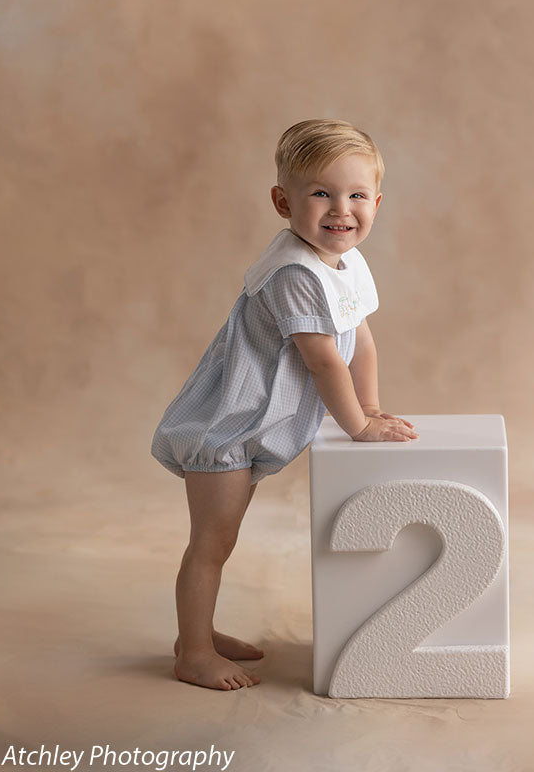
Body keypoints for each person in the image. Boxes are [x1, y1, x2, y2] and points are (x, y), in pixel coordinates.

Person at [151, 118, 419, 691]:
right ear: (282, 201)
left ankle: (195, 631)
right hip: (225, 426)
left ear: (377, 202)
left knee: (222, 538)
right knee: (212, 541)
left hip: (254, 422)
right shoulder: (296, 272)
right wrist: (357, 429)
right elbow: (324, 360)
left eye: (356, 195)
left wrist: (369, 410)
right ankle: (193, 652)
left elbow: (360, 338)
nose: (340, 209)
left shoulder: (343, 259)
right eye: (320, 193)